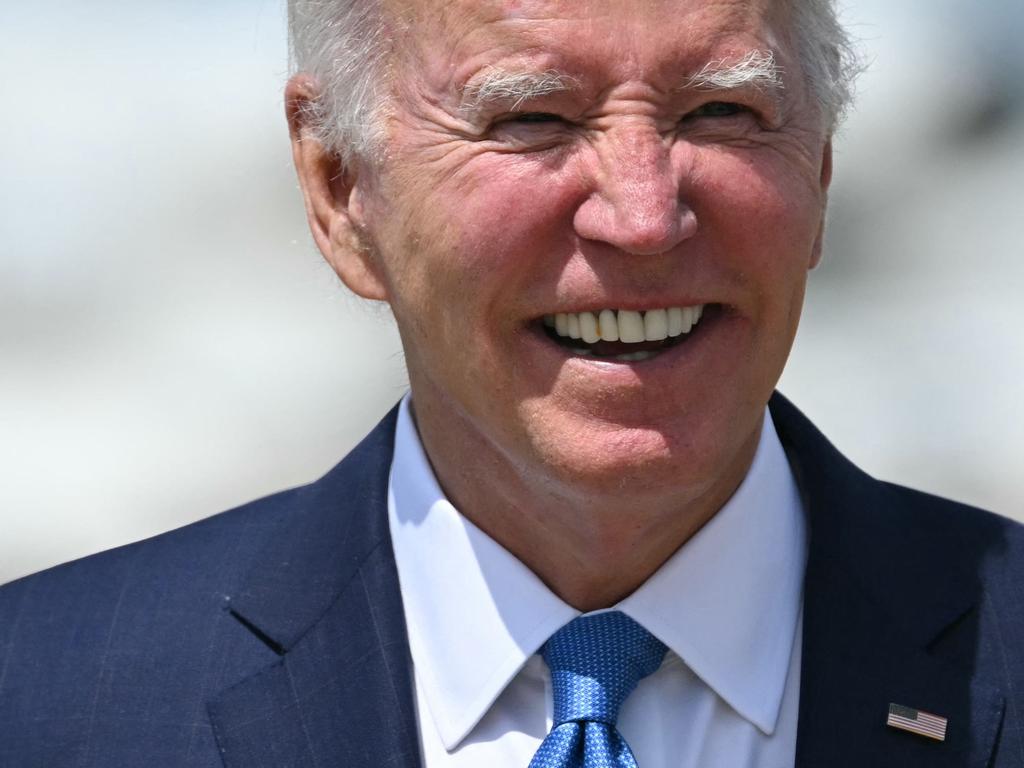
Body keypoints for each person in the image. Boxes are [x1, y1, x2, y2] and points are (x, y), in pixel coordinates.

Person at [1, 0, 1022, 765]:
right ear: (339, 189)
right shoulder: (49, 700)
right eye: (533, 118)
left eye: (720, 111)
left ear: (822, 169)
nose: (642, 216)